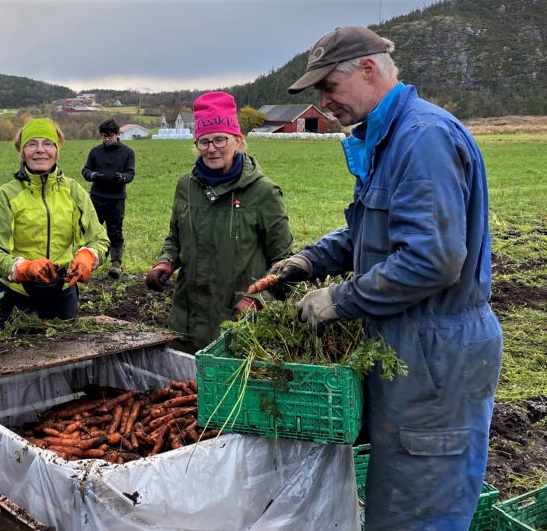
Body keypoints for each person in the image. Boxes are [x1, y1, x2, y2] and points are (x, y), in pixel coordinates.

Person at [248, 26, 503, 530]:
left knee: (420, 505)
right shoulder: (389, 136)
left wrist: (339, 300)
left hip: (435, 353)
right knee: (395, 490)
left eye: (329, 89)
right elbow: (368, 228)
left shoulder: (422, 138)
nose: (324, 103)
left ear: (368, 70)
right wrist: (310, 261)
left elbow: (431, 260)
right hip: (407, 341)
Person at [145, 91, 293, 353]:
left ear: (238, 140)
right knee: (184, 386)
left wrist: (256, 299)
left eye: (220, 140)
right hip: (186, 318)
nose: (211, 149)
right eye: (204, 142)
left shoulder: (263, 192)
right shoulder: (186, 186)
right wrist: (166, 261)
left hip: (236, 321)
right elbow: (175, 238)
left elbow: (283, 264)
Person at [0, 118, 110, 325]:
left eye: (48, 143)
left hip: (64, 293)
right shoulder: (5, 195)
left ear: (56, 151)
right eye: (32, 144)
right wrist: (23, 268)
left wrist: (88, 255)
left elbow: (100, 240)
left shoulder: (73, 190)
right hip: (18, 296)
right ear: (22, 152)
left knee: (66, 351)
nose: (40, 150)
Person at [81, 118, 135, 279]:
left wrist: (123, 177)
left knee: (115, 232)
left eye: (109, 136)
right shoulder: (95, 152)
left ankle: (116, 264)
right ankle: (87, 262)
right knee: (91, 231)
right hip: (96, 198)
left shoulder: (127, 152)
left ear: (117, 134)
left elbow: (131, 173)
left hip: (116, 200)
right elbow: (85, 170)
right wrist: (93, 175)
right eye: (104, 136)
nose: (106, 139)